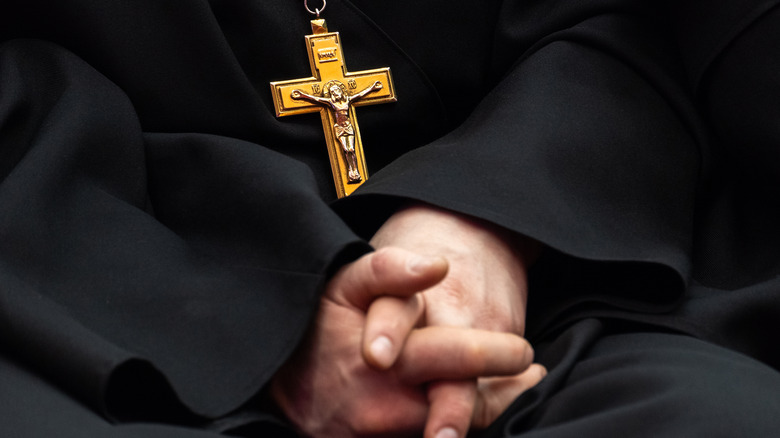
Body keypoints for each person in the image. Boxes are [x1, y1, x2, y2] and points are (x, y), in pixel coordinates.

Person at [2, 0, 780, 437]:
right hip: (109, 304)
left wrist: (482, 219)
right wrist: (271, 321)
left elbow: (610, 22)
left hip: (561, 269)